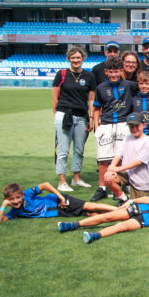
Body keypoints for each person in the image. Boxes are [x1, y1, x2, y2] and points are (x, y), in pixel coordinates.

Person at [58, 187, 149, 244]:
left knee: (120, 227)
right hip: (137, 209)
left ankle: (94, 236)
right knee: (107, 217)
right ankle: (73, 225)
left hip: (143, 221)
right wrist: (132, 201)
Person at [91, 57, 138, 202]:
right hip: (106, 124)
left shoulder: (130, 85)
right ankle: (102, 188)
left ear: (121, 71)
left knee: (123, 158)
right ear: (106, 72)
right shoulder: (101, 88)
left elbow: (146, 91)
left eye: (116, 72)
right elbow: (97, 108)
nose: (113, 75)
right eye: (110, 72)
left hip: (124, 124)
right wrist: (97, 127)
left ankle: (121, 185)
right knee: (103, 158)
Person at [52, 46, 96, 192]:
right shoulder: (61, 74)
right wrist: (56, 116)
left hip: (82, 117)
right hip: (64, 115)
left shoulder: (89, 76)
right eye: (73, 58)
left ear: (83, 59)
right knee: (63, 150)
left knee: (79, 150)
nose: (76, 60)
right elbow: (54, 97)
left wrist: (91, 118)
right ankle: (62, 181)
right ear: (69, 59)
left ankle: (76, 179)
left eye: (78, 57)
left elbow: (91, 100)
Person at [0, 182, 117, 223]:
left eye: (17, 197)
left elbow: (45, 185)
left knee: (90, 206)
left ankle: (119, 210)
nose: (16, 201)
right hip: (59, 212)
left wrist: (60, 197)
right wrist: (3, 206)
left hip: (58, 201)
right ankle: (118, 217)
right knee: (90, 214)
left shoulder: (27, 194)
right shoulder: (14, 212)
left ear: (21, 195)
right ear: (6, 199)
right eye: (11, 199)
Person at [104, 112, 149, 203]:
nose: (134, 129)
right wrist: (111, 167)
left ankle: (131, 202)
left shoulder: (148, 141)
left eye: (137, 126)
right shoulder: (127, 137)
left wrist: (118, 168)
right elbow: (118, 153)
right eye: (131, 126)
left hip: (140, 177)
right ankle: (124, 199)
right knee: (108, 178)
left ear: (144, 125)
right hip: (126, 173)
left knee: (139, 207)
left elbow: (139, 161)